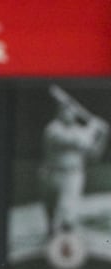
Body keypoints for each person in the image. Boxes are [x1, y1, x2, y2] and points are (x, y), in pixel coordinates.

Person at [39, 85, 109, 238]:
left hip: (72, 175)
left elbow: (94, 154)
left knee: (67, 213)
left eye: (71, 110)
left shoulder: (79, 130)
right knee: (50, 211)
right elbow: (79, 141)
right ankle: (51, 234)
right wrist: (94, 127)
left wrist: (103, 136)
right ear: (58, 112)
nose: (69, 113)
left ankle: (65, 241)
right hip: (51, 173)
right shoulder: (52, 129)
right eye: (65, 110)